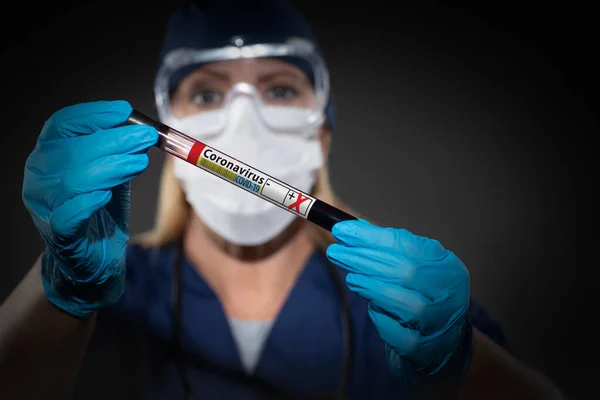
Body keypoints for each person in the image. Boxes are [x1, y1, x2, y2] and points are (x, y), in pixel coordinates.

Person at [0, 1, 565, 399]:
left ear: (321, 131)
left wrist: (462, 363)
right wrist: (60, 292)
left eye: (278, 88)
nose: (243, 116)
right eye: (206, 91)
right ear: (169, 136)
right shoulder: (112, 288)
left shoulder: (404, 306)